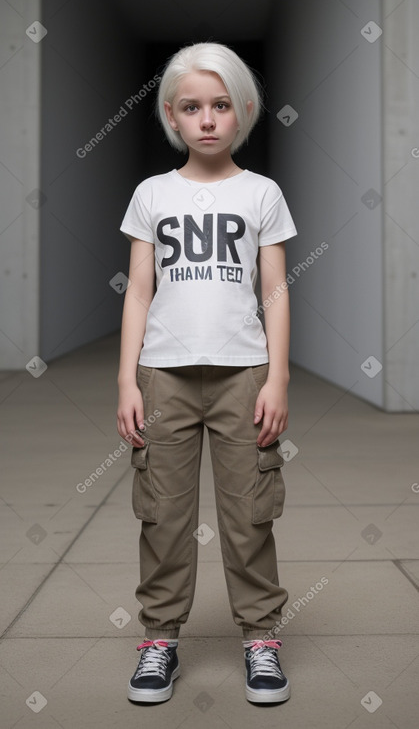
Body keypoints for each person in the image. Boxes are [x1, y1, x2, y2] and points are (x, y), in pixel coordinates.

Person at [117, 41, 298, 705]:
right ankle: (159, 638)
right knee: (161, 515)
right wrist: (125, 380)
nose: (207, 119)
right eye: (191, 107)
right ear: (170, 115)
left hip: (242, 377)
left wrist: (276, 378)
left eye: (220, 105)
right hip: (163, 378)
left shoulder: (261, 193)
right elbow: (138, 291)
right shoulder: (151, 194)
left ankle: (260, 639)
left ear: (240, 111)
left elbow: (274, 291)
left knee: (250, 514)